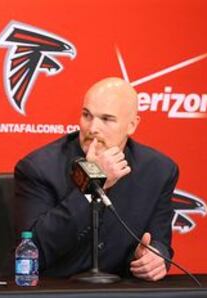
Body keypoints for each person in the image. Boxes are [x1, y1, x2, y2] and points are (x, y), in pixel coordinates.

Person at [14, 77, 178, 281]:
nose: (92, 128)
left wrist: (154, 256)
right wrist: (93, 181)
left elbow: (159, 240)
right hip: (56, 292)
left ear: (132, 125)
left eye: (107, 119)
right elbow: (35, 251)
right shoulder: (39, 168)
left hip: (123, 294)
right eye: (86, 115)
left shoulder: (158, 170)